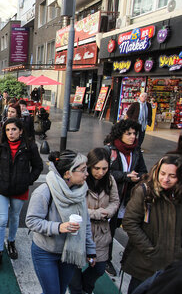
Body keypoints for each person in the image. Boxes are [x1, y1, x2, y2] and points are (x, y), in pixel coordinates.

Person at [26, 150, 96, 294]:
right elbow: (31, 221)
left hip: (69, 253)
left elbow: (86, 224)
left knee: (61, 291)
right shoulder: (44, 192)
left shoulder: (80, 192)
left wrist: (90, 250)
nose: (87, 174)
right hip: (45, 252)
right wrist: (58, 227)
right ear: (67, 174)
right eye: (83, 170)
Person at [121, 154, 182, 293]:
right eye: (163, 173)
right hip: (146, 264)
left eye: (172, 176)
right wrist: (150, 249)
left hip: (173, 266)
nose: (165, 179)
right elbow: (130, 222)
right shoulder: (145, 191)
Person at [0, 118, 43, 271]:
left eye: (13, 129)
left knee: (14, 217)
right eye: (7, 130)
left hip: (20, 189)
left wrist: (28, 180)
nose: (10, 133)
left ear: (21, 131)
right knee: (2, 219)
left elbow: (38, 166)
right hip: (1, 188)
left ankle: (11, 241)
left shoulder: (30, 147)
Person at [68, 147, 120, 294]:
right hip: (81, 232)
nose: (100, 172)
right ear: (89, 166)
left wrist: (109, 212)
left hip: (102, 233)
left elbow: (115, 201)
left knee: (99, 268)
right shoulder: (80, 180)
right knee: (74, 271)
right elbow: (74, 205)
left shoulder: (109, 180)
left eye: (104, 168)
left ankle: (86, 288)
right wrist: (97, 213)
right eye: (96, 168)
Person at [103, 119, 147, 276]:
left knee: (125, 227)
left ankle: (124, 258)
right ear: (120, 134)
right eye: (128, 133)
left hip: (129, 198)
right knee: (109, 230)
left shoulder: (136, 151)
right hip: (112, 197)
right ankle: (105, 259)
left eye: (134, 134)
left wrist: (138, 176)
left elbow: (143, 171)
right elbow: (104, 172)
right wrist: (125, 176)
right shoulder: (110, 151)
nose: (132, 137)